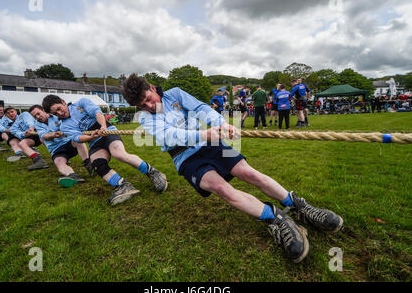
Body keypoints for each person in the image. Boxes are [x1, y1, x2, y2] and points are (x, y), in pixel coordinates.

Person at [122, 73, 344, 263]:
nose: (149, 106)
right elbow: (168, 136)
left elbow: (200, 108)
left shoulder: (176, 93)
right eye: (142, 105)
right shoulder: (144, 117)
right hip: (185, 157)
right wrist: (202, 134)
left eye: (148, 99)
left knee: (248, 172)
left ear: (152, 88)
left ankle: (300, 206)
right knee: (221, 188)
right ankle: (277, 219)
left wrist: (221, 123)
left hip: (212, 142)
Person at [42, 95, 168, 205]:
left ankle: (153, 172)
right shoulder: (64, 126)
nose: (59, 113)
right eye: (55, 113)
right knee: (97, 164)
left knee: (118, 153)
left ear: (63, 102)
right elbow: (77, 138)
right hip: (94, 141)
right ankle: (123, 186)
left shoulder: (81, 103)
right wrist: (91, 137)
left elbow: (97, 113)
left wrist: (103, 127)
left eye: (59, 109)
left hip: (108, 131)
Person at [29, 105, 93, 186]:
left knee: (77, 140)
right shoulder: (37, 125)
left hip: (68, 143)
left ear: (43, 110)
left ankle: (89, 165)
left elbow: (68, 125)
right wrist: (52, 135)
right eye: (35, 116)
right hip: (56, 149)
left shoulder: (56, 116)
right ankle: (73, 176)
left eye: (38, 113)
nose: (38, 117)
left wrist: (62, 131)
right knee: (59, 163)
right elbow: (44, 136)